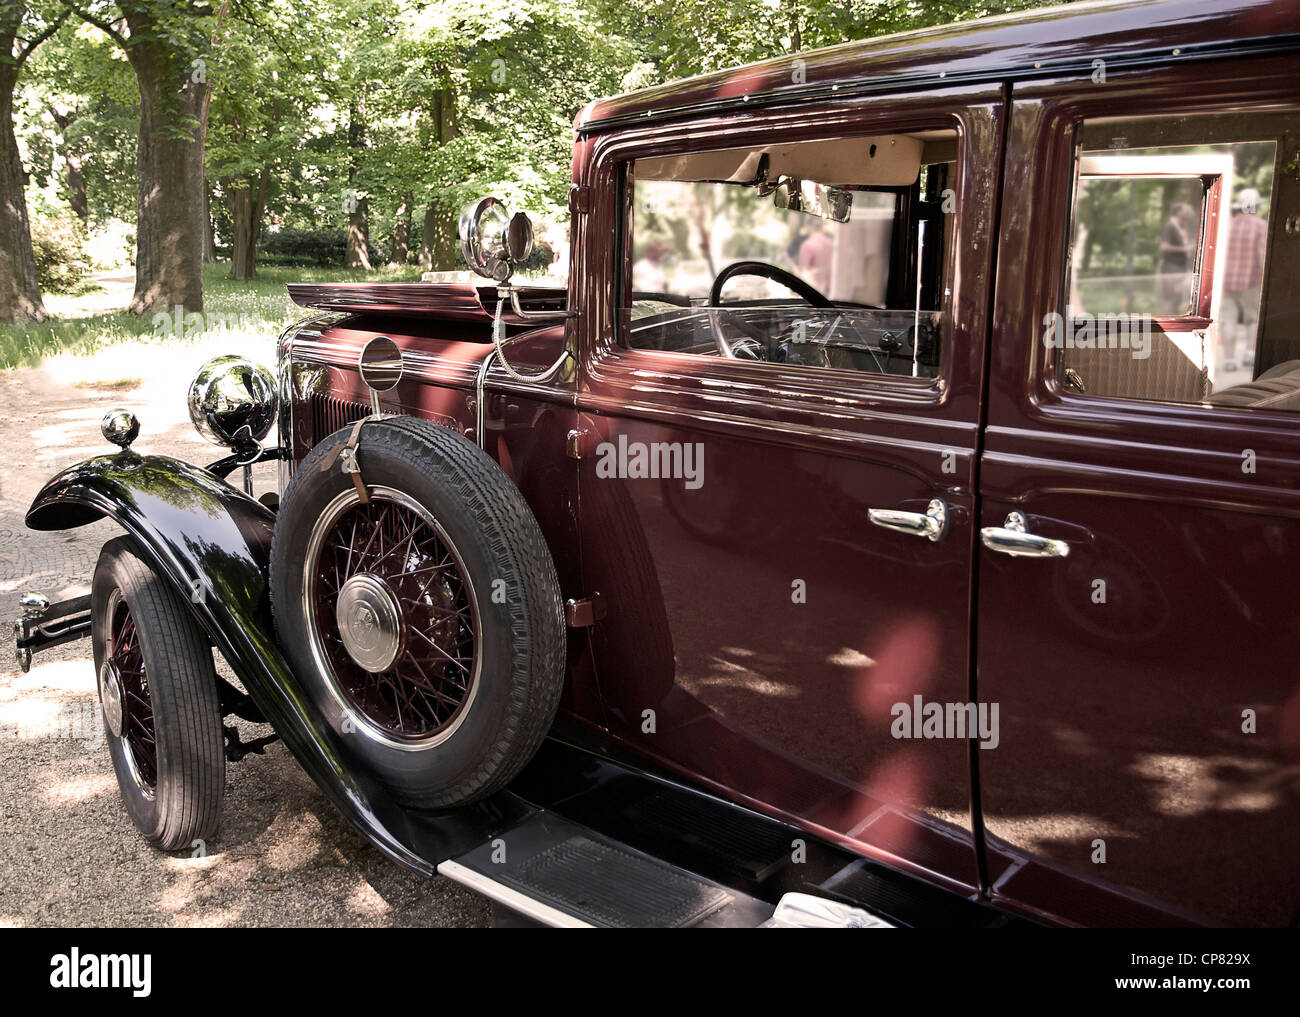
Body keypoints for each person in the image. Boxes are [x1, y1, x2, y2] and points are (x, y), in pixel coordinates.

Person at [1220, 187, 1268, 372]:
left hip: (1227, 280)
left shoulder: (1228, 224)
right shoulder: (1260, 226)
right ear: (1254, 206)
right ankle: (1249, 354)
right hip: (1252, 280)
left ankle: (1229, 360)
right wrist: (1265, 277)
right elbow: (1261, 252)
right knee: (1252, 319)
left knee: (1228, 320)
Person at [1159, 202, 1197, 315]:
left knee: (1177, 298)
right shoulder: (1170, 226)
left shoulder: (1180, 227)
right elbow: (1164, 247)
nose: (1188, 215)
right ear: (1178, 213)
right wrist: (1184, 249)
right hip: (1171, 267)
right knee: (1170, 298)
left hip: (1180, 267)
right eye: (1186, 212)